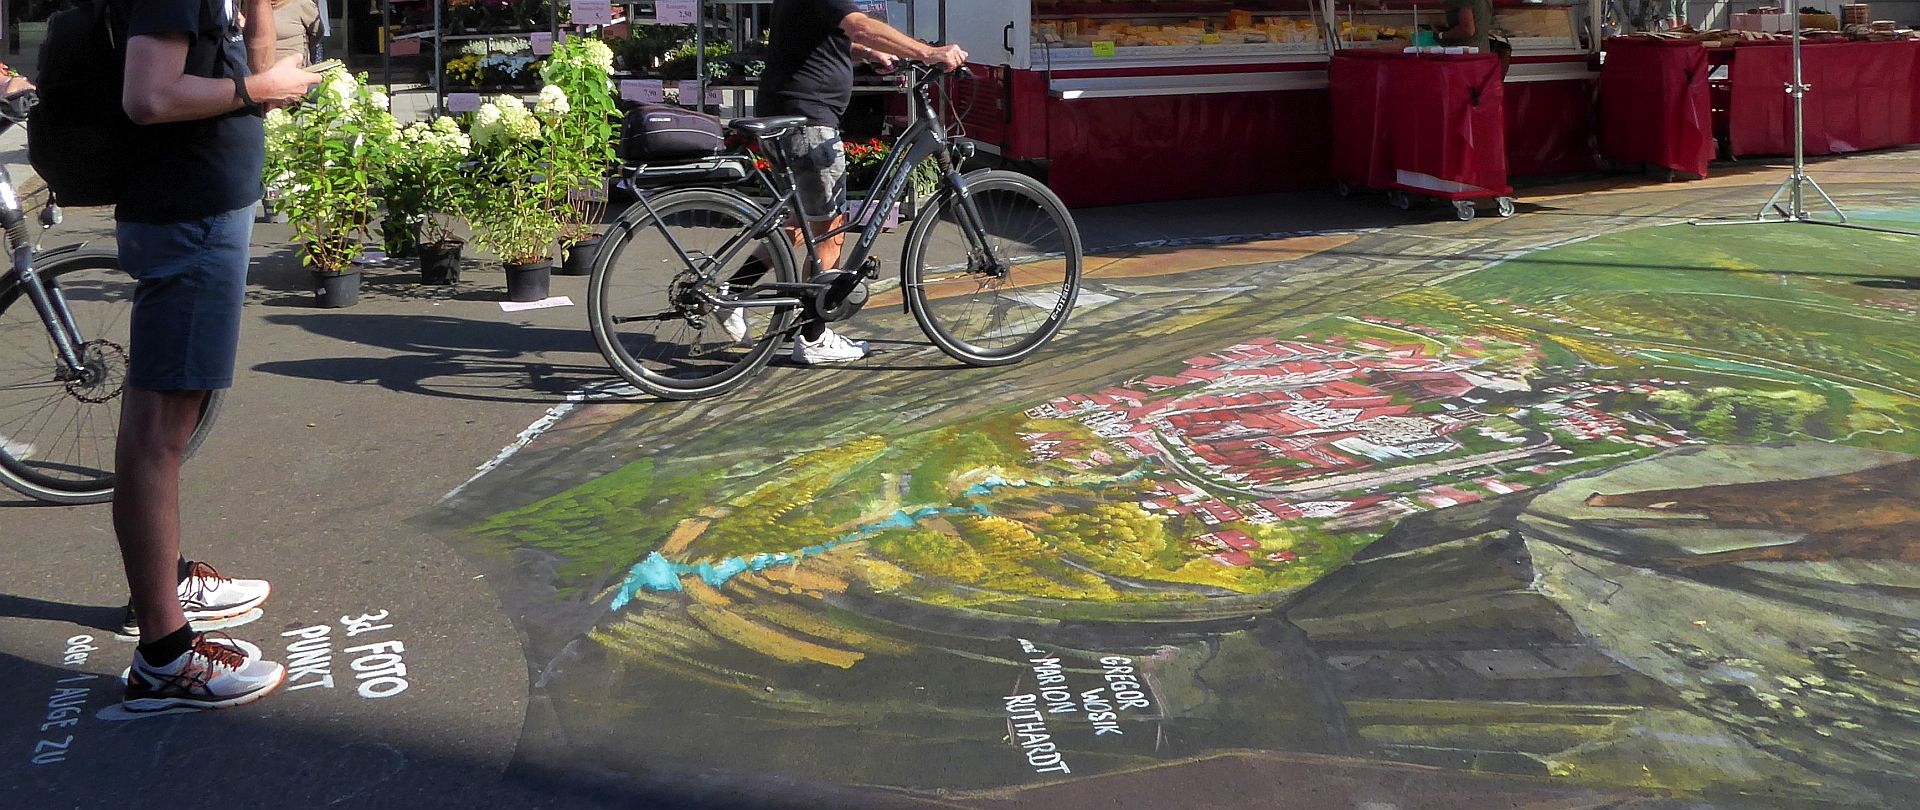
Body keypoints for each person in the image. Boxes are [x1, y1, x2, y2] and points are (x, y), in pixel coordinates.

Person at [112, 0, 321, 714]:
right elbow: (148, 96)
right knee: (159, 433)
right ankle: (164, 655)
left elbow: (256, 68)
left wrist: (259, 21)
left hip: (204, 210)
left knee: (171, 423)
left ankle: (164, 585)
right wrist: (258, 90)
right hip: (186, 217)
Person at [751, 0, 965, 365]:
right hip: (808, 121)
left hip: (787, 112)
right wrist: (929, 52)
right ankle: (813, 337)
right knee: (830, 227)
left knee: (803, 222)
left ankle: (733, 291)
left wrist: (867, 53)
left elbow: (824, 41)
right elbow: (860, 25)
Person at [270, 0, 321, 67]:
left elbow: (317, 32)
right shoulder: (254, 6)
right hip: (260, 73)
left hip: (297, 71)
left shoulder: (301, 3)